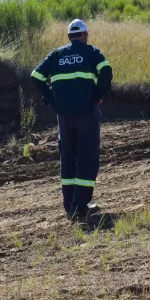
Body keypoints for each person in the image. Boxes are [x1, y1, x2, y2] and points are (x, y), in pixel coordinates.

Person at [31, 19, 113, 222]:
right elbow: (106, 71)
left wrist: (51, 97)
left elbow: (36, 75)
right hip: (86, 113)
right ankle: (80, 206)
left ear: (69, 36)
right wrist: (98, 95)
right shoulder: (91, 52)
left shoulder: (56, 54)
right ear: (85, 35)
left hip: (64, 117)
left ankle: (70, 206)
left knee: (68, 157)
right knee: (87, 158)